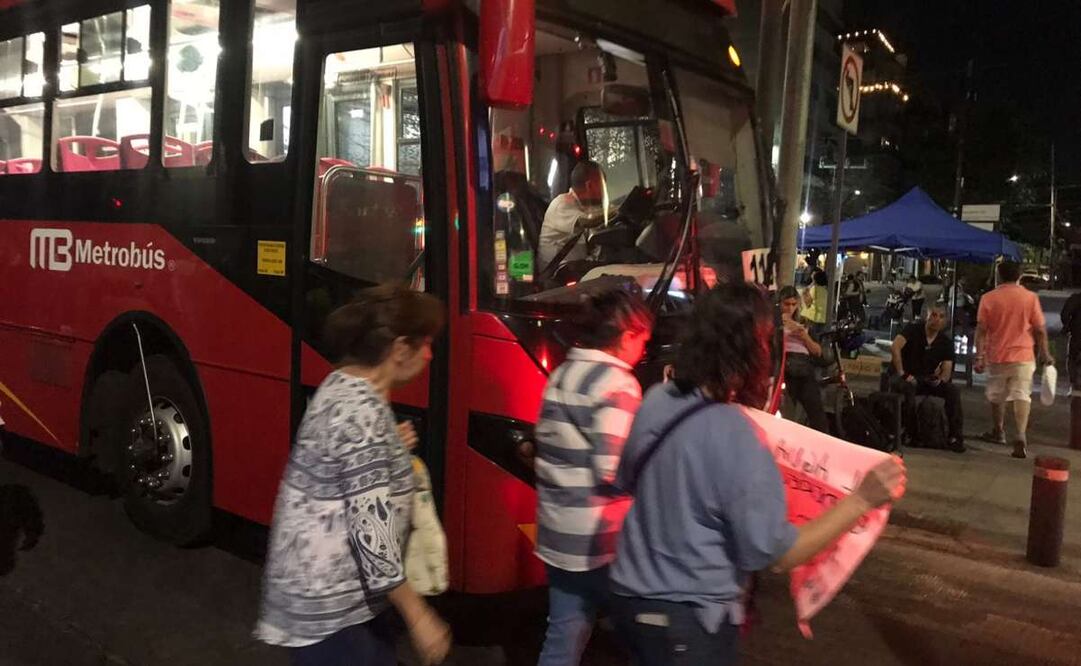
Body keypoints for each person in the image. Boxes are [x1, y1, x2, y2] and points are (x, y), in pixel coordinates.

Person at [609, 283, 906, 666]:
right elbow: (778, 553)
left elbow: (627, 479)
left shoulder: (657, 400)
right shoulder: (738, 435)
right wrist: (863, 498)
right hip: (688, 621)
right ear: (753, 350)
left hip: (629, 601)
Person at [256, 285, 451, 666]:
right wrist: (420, 616)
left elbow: (344, 461)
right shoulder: (361, 416)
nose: (429, 355)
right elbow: (373, 537)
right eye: (425, 344)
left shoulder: (341, 383)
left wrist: (389, 446)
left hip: (324, 601)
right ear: (399, 350)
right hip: (333, 614)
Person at [534, 289, 654, 666]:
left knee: (564, 634)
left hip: (557, 535)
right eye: (644, 341)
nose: (644, 351)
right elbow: (613, 468)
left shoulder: (562, 373)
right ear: (628, 335)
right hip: (600, 543)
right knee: (647, 636)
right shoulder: (618, 383)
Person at [974, 261, 1053, 459]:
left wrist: (979, 356)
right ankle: (1020, 434)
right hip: (1024, 355)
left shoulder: (988, 298)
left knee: (997, 395)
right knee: (1022, 394)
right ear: (1019, 276)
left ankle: (999, 431)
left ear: (998, 276)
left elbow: (982, 331)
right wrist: (1045, 353)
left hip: (997, 354)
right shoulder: (1030, 298)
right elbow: (1040, 330)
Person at [890, 303, 965, 452]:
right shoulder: (912, 330)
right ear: (927, 316)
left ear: (945, 321)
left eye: (941, 316)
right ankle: (911, 433)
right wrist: (902, 373)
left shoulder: (946, 342)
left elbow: (947, 371)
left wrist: (940, 380)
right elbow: (895, 346)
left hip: (927, 379)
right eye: (934, 315)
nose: (936, 319)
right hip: (906, 377)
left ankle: (955, 436)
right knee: (908, 389)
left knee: (953, 391)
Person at [538, 160, 607, 270]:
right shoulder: (562, 203)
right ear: (589, 186)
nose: (605, 192)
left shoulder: (581, 207)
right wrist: (619, 209)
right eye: (603, 185)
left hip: (573, 269)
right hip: (557, 274)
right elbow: (589, 221)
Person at [778, 286, 828, 433]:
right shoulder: (775, 321)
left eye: (794, 304)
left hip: (804, 365)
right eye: (786, 304)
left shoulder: (805, 322)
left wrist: (803, 334)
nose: (790, 308)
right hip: (784, 365)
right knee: (785, 414)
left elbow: (817, 351)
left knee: (817, 414)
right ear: (780, 304)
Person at [1060, 290, 1081, 394]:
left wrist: (1067, 326)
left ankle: (1074, 385)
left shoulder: (1076, 298)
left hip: (1077, 335)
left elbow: (1064, 314)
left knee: (1072, 359)